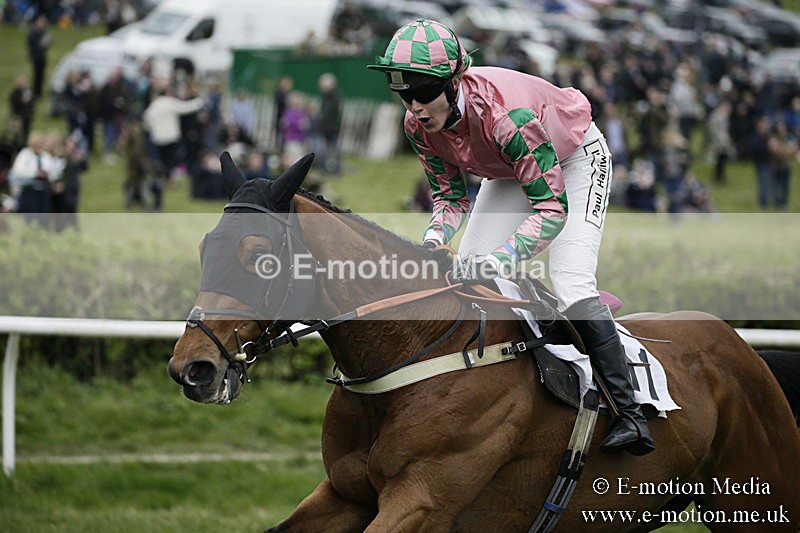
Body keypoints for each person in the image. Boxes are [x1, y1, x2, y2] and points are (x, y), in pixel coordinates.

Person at [368, 19, 654, 456]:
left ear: (453, 82)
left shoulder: (504, 117)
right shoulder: (416, 125)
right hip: (510, 166)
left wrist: (500, 259)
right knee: (467, 272)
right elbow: (449, 197)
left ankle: (630, 413)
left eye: (424, 92)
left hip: (574, 158)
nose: (416, 107)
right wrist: (431, 244)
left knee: (571, 282)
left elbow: (551, 210)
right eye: (405, 95)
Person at [26, 14, 51, 100]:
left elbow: (46, 45)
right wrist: (40, 43)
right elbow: (30, 42)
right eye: (41, 21)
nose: (42, 23)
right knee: (36, 75)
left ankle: (39, 93)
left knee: (41, 75)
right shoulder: (33, 32)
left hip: (42, 56)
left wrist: (47, 42)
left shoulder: (42, 32)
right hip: (36, 56)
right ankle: (35, 92)